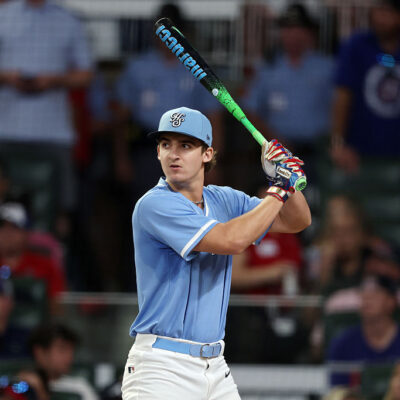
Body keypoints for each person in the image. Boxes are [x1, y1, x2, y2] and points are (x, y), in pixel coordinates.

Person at [121, 106, 311, 399]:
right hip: (162, 366)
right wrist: (280, 189)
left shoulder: (224, 198)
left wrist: (284, 179)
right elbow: (231, 240)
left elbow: (296, 221)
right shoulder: (154, 205)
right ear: (157, 152)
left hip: (215, 365)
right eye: (165, 144)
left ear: (207, 154)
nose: (173, 153)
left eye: (185, 145)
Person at [0, 0, 93, 225]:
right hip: (6, 130)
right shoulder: (3, 15)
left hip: (53, 133)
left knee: (60, 217)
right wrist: (7, 77)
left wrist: (53, 80)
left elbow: (86, 74)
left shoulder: (68, 20)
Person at [241, 3, 334, 162]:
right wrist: (272, 140)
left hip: (319, 151)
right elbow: (250, 111)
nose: (293, 34)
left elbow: (339, 107)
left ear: (309, 33)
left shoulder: (327, 67)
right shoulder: (266, 68)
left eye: (299, 28)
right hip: (277, 152)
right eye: (287, 28)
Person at [331, 0, 400, 172]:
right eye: (378, 10)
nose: (381, 18)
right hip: (358, 154)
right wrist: (338, 145)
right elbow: (342, 97)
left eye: (389, 12)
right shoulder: (356, 45)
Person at [327, 274, 400, 388]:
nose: (367, 298)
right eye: (363, 294)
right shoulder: (343, 344)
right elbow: (338, 392)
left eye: (375, 293)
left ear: (391, 301)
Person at [0, 202, 66, 314]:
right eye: (2, 226)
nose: (7, 233)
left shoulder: (45, 264)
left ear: (27, 233)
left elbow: (57, 308)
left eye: (15, 227)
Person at [27, 324, 99, 400]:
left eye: (71, 351)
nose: (69, 357)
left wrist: (41, 394)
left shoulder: (79, 388)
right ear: (39, 352)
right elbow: (15, 391)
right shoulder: (26, 383)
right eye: (62, 350)